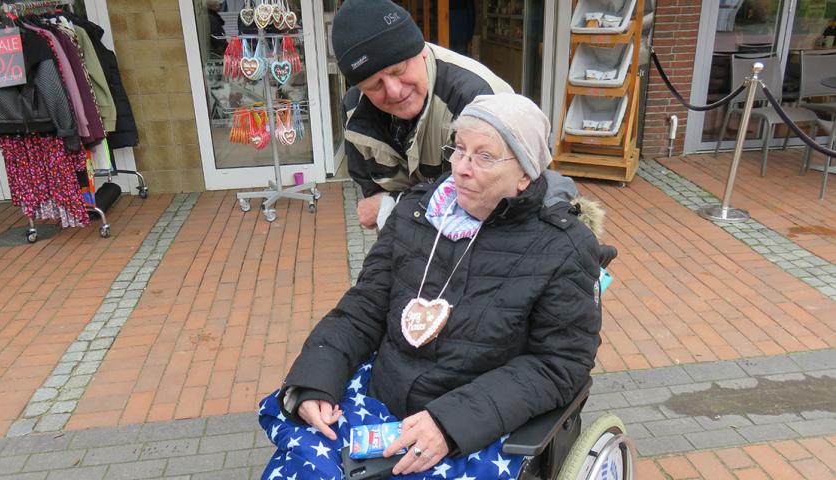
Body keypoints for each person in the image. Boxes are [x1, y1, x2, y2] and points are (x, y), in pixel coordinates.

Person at [258, 93, 606, 479]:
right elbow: (364, 306)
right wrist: (316, 381)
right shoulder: (415, 212)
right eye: (459, 149)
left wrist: (449, 423)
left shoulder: (562, 247)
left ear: (525, 173)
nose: (461, 168)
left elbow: (560, 363)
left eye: (484, 156)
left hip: (475, 427)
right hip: (380, 401)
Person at [332, 0, 513, 230]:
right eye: (375, 85)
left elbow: (490, 206)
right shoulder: (353, 112)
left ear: (421, 51)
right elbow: (371, 194)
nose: (394, 91)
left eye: (398, 70)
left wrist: (390, 205)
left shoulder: (478, 99)